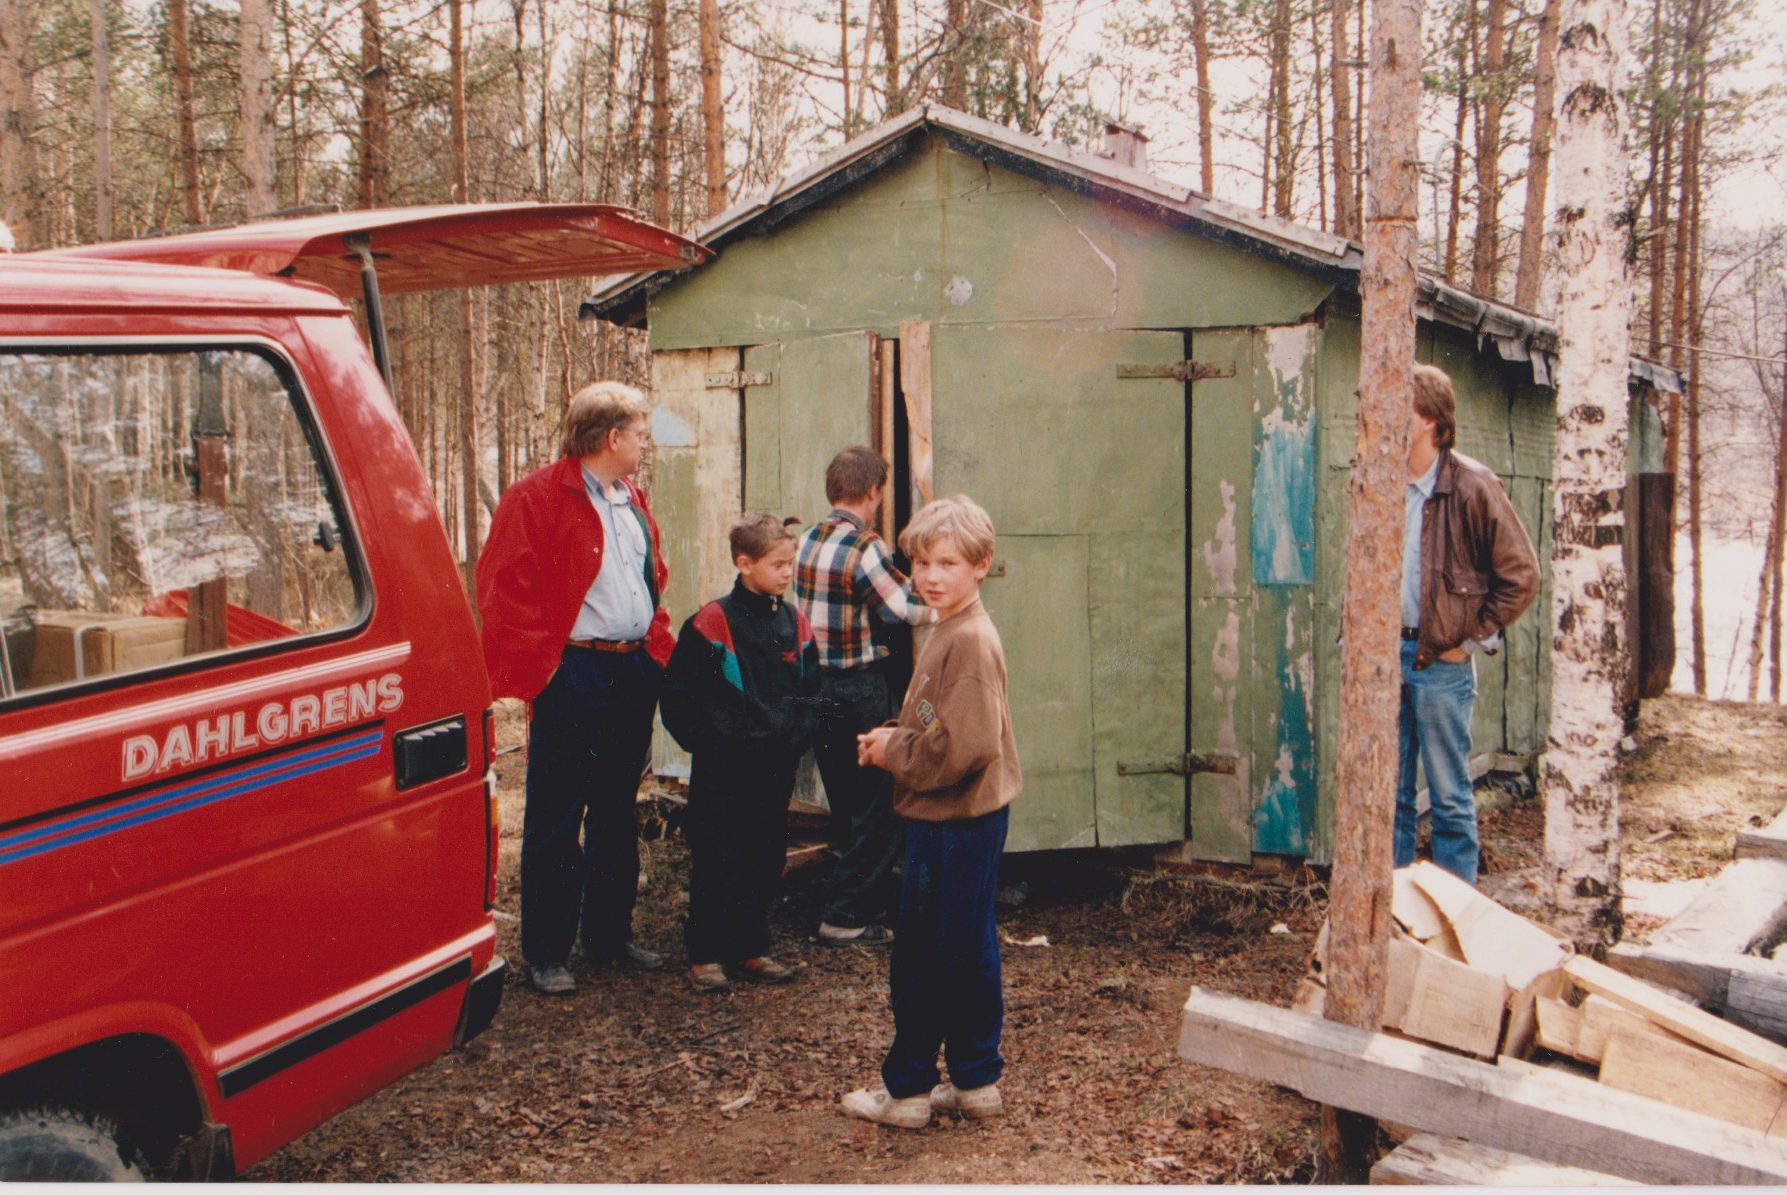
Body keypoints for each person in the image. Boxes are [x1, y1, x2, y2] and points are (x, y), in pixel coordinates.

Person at [476, 380, 672, 996]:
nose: (646, 444)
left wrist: (656, 655)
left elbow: (650, 581)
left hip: (630, 670)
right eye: (640, 434)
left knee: (617, 810)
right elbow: (501, 591)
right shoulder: (535, 498)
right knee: (559, 815)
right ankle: (547, 952)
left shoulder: (630, 497)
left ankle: (608, 937)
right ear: (612, 437)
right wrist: (546, 672)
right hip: (574, 674)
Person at [841, 495, 1021, 1130]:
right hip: (965, 820)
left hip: (951, 822)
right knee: (968, 946)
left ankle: (910, 1090)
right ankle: (976, 1081)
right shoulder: (949, 626)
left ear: (982, 565)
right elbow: (938, 721)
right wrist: (896, 734)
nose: (931, 576)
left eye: (948, 562)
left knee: (923, 952)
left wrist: (899, 754)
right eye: (921, 562)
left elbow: (967, 748)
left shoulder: (968, 640)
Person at [660, 513, 820, 993]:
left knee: (765, 855)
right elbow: (679, 700)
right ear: (744, 564)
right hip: (723, 773)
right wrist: (715, 744)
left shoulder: (794, 621)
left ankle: (750, 947)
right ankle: (705, 955)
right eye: (778, 564)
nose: (788, 573)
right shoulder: (713, 621)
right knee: (718, 857)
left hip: (775, 769)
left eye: (792, 564)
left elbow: (812, 690)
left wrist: (797, 736)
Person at [1395, 364, 1539, 885]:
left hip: (1442, 666)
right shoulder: (1378, 483)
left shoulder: (1473, 486)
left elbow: (1521, 577)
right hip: (1386, 659)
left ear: (1431, 420)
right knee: (1388, 796)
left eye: (1401, 411)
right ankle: (1393, 915)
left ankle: (1458, 916)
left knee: (1451, 796)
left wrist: (1469, 640)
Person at [795, 447, 937, 946]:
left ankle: (856, 898)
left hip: (818, 689)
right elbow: (902, 607)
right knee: (887, 801)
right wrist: (948, 602)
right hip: (858, 688)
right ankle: (845, 913)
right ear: (874, 492)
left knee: (850, 801)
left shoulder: (809, 537)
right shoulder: (864, 545)